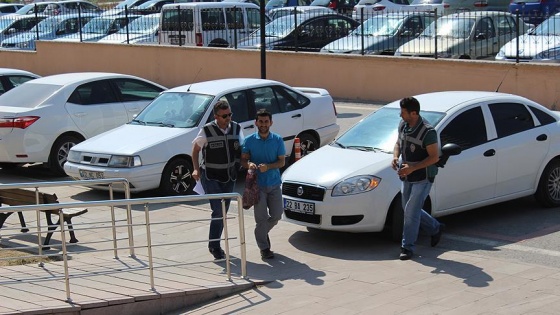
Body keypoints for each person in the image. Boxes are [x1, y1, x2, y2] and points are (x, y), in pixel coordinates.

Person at [391, 97, 444, 261]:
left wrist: (413, 168)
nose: (400, 115)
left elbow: (434, 157)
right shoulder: (404, 125)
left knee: (410, 213)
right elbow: (398, 143)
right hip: (407, 175)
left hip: (423, 177)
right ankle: (435, 228)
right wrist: (395, 157)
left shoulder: (428, 132)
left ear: (413, 113)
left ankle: (407, 247)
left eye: (403, 112)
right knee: (409, 209)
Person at [192, 100, 243, 260]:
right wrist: (195, 168)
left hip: (230, 177)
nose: (228, 118)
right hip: (211, 176)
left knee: (223, 212)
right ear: (216, 116)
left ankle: (214, 244)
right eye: (224, 116)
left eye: (230, 114)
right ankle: (214, 246)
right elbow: (195, 151)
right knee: (218, 211)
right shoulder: (206, 131)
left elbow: (242, 149)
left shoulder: (237, 128)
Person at [241, 108, 285, 259]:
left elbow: (281, 162)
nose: (264, 124)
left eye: (266, 121)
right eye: (261, 121)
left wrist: (268, 166)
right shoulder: (249, 140)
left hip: (274, 183)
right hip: (257, 186)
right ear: (256, 123)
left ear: (271, 122)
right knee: (261, 219)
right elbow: (243, 160)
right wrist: (250, 164)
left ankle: (260, 233)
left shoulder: (278, 140)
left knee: (277, 215)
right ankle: (264, 248)